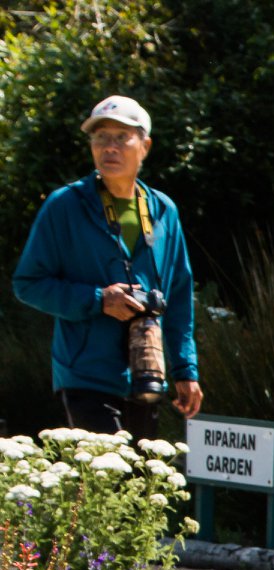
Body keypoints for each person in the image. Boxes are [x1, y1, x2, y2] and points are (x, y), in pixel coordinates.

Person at [12, 95, 202, 440]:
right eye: (100, 137)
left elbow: (179, 297)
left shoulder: (163, 211)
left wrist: (186, 370)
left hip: (147, 372)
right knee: (105, 481)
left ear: (145, 145)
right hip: (86, 373)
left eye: (121, 137)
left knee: (138, 485)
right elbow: (28, 283)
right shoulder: (64, 206)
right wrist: (98, 299)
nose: (109, 147)